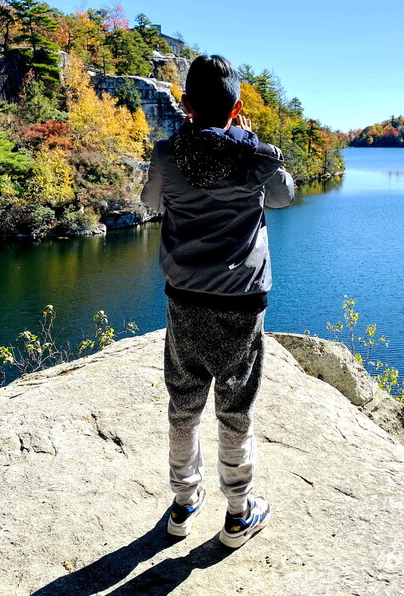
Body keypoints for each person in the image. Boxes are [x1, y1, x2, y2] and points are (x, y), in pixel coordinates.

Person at [141, 54, 294, 548]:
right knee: (236, 408)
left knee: (183, 404)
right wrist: (246, 139)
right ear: (238, 107)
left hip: (184, 297)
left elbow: (150, 202)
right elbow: (284, 197)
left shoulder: (167, 155)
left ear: (186, 106)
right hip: (241, 304)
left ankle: (184, 504)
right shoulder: (257, 157)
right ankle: (238, 513)